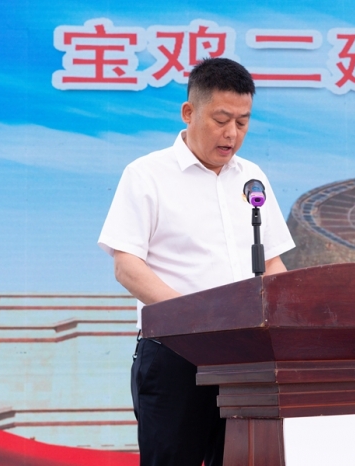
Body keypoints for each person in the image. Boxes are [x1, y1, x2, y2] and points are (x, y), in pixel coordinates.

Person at [98, 57, 295, 466]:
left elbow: (272, 264)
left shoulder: (252, 178)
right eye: (221, 120)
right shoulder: (147, 174)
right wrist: (193, 318)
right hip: (175, 354)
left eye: (242, 122)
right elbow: (127, 266)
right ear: (189, 112)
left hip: (247, 357)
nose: (232, 133)